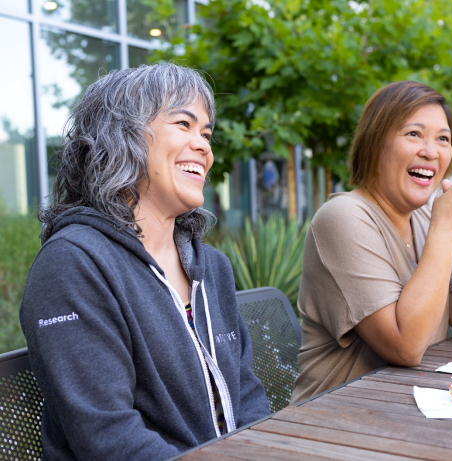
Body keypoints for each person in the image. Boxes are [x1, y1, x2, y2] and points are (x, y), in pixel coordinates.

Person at [19, 63, 270, 460]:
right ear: (123, 137)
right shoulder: (74, 265)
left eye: (206, 133)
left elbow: (247, 393)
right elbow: (108, 437)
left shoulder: (212, 267)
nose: (205, 146)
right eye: (184, 124)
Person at [291, 81, 452, 403]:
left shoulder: (424, 221)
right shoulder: (343, 216)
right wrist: (446, 231)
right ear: (375, 143)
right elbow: (405, 346)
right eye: (414, 134)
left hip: (409, 408)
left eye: (443, 139)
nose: (431, 151)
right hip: (335, 422)